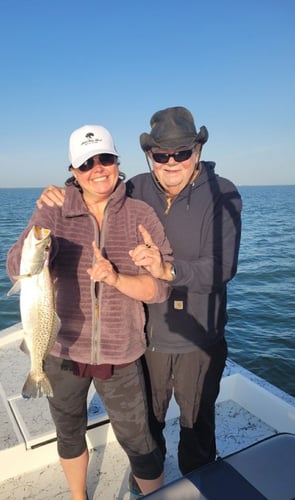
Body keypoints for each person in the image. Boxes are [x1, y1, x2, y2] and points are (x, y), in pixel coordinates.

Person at [37, 107, 243, 484]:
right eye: (162, 155)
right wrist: (60, 193)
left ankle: (198, 486)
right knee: (150, 424)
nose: (171, 162)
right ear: (150, 156)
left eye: (181, 152)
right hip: (148, 335)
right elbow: (97, 188)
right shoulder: (139, 188)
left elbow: (222, 267)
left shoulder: (222, 193)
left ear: (197, 151)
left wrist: (168, 270)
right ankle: (149, 487)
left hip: (197, 337)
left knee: (197, 425)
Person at [7, 124, 173, 499]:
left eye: (106, 158)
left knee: (140, 442)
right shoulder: (53, 211)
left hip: (122, 353)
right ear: (73, 171)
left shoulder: (140, 213)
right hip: (61, 351)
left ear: (117, 161)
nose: (98, 168)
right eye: (86, 163)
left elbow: (159, 290)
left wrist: (116, 278)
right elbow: (15, 265)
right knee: (68, 432)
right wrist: (39, 247)